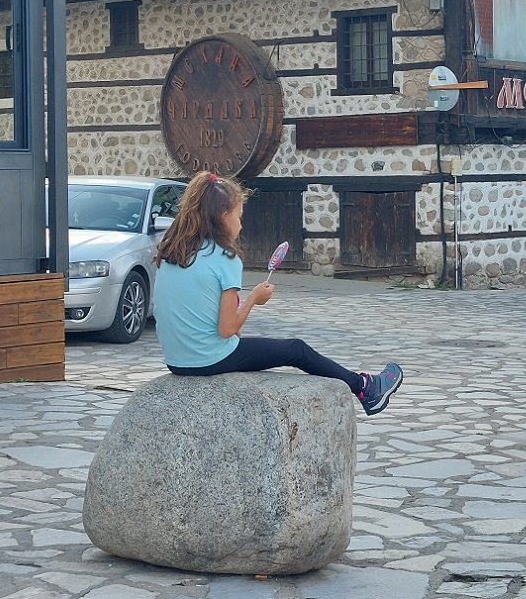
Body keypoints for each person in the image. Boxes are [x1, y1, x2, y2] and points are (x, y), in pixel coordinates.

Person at [152, 171, 403, 416]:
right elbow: (226, 330)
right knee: (296, 350)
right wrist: (253, 299)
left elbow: (201, 312)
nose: (241, 224)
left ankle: (365, 387)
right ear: (223, 216)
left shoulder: (173, 251)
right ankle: (365, 388)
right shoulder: (224, 258)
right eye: (239, 216)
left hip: (176, 360)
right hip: (208, 360)